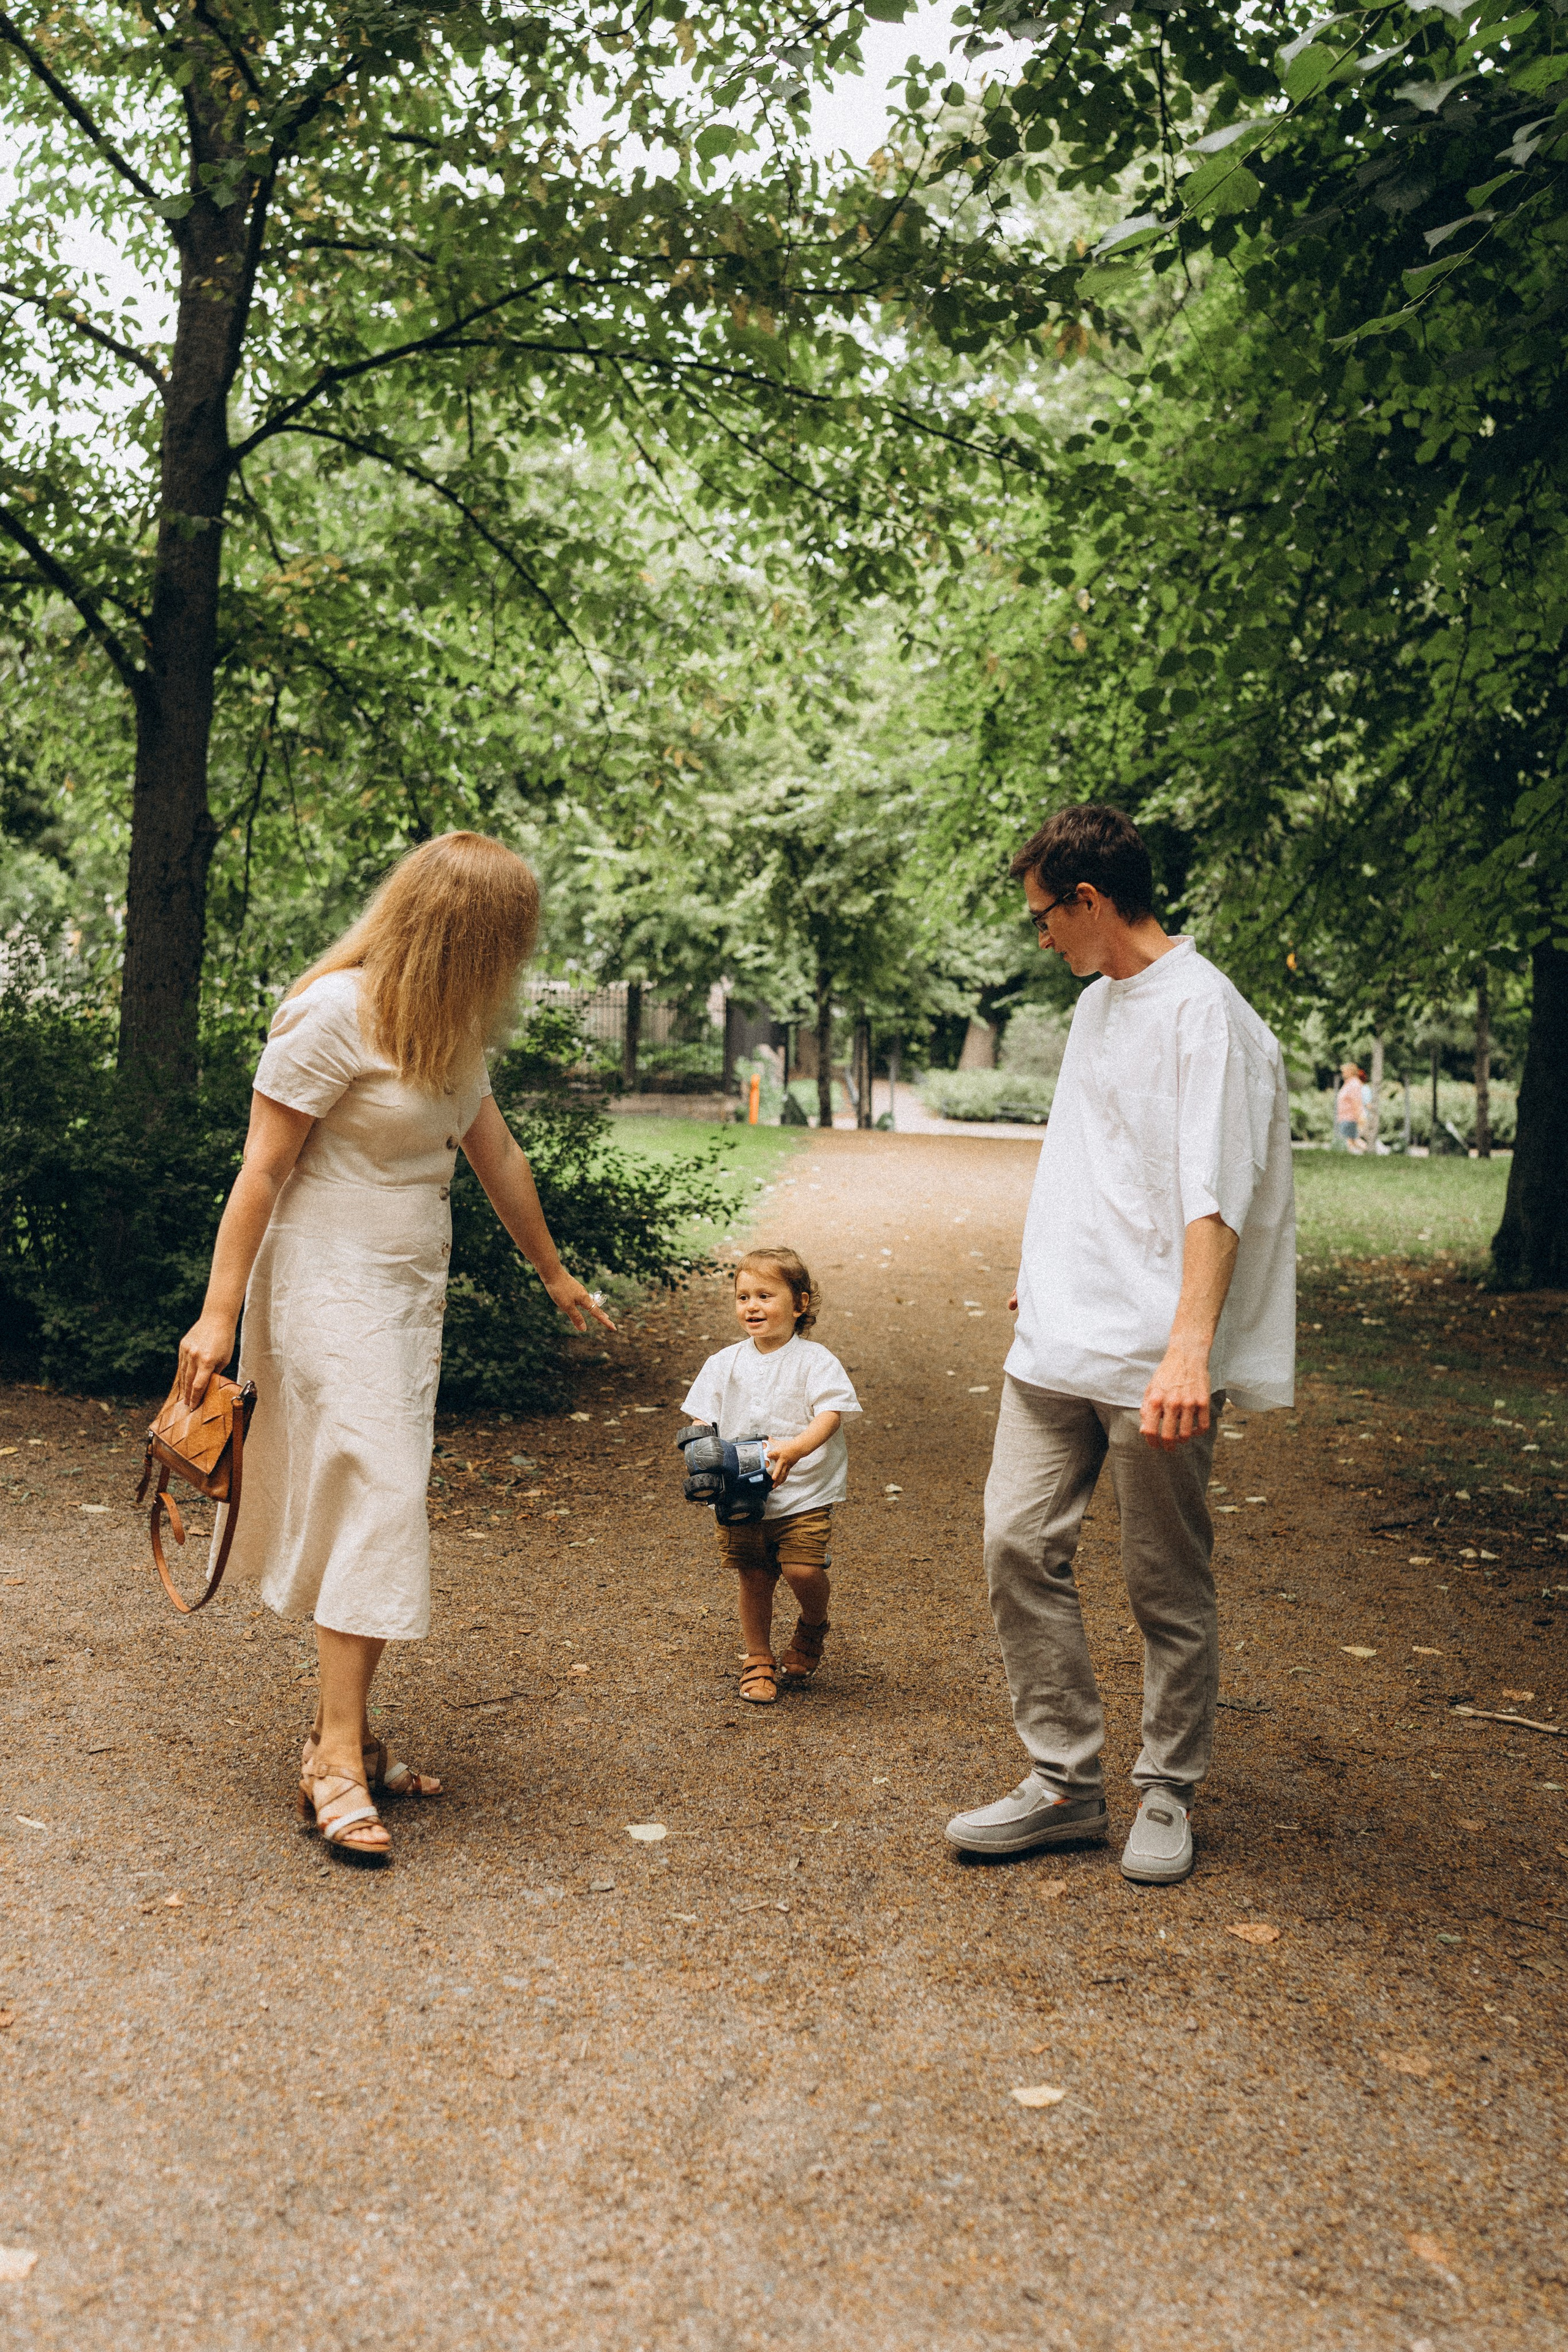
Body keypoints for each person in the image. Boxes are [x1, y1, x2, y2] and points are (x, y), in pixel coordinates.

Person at [176, 832, 612, 1862]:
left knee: (372, 1489)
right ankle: (333, 1757)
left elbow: (494, 1152)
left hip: (409, 1293)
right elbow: (262, 1171)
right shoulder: (331, 1014)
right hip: (326, 1282)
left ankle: (354, 1736)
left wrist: (552, 1272)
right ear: (462, 930)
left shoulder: (448, 1028)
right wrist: (217, 1314)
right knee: (379, 1487)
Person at [945, 804, 1295, 1886]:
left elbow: (1214, 1197)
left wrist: (1190, 1350)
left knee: (1165, 1582)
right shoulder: (1100, 1006)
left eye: (1046, 916)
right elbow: (1093, 1159)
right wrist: (1043, 1270)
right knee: (1015, 1541)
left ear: (1091, 901)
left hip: (1156, 1355)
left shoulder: (1209, 1017)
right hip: (1060, 1337)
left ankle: (1165, 1790)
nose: (1040, 937)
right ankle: (1062, 1783)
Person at [680, 1248, 860, 1706]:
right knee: (754, 1577)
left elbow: (831, 1412)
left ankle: (813, 1622)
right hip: (741, 1492)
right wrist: (702, 1451)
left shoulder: (815, 1360)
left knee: (803, 1569)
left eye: (765, 1295)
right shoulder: (725, 1363)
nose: (752, 1306)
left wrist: (797, 1449)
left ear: (800, 1304)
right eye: (743, 1297)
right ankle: (758, 1658)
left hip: (804, 1491)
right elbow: (701, 1416)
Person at [1334, 1061, 1367, 1152]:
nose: (1343, 1073)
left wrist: (1358, 1117)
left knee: (1351, 1140)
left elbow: (1356, 1101)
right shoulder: (1349, 1083)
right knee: (1352, 1140)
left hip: (1350, 1117)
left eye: (1345, 1071)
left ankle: (1369, 1152)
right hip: (1345, 1117)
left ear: (1351, 1072)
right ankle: (1363, 1154)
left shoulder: (1354, 1084)